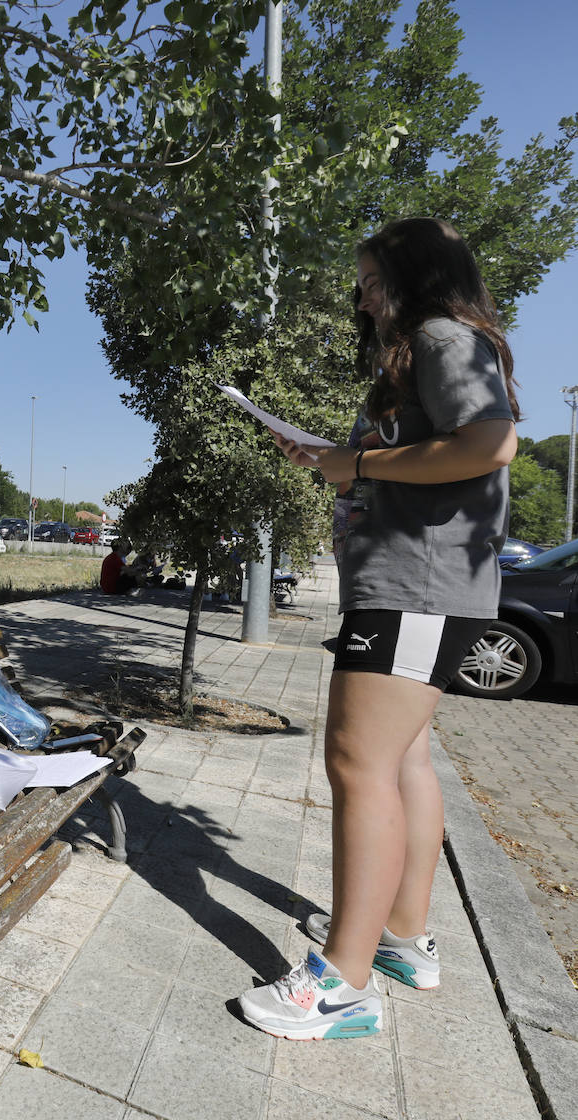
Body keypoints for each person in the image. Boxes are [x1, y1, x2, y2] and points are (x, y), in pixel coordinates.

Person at [239, 217, 518, 1040]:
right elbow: (437, 451)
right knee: (403, 761)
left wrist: (356, 464)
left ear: (412, 276)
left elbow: (491, 443)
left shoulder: (439, 336)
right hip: (420, 588)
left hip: (415, 589)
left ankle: (340, 986)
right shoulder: (434, 348)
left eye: (368, 280)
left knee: (358, 764)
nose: (360, 298)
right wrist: (337, 453)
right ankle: (402, 939)